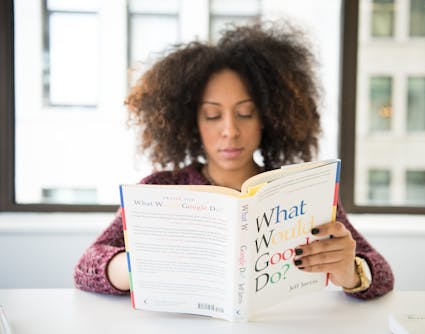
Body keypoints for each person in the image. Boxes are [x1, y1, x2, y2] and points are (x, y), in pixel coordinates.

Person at [74, 22, 394, 300]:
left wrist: (350, 271)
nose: (230, 130)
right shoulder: (159, 189)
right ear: (191, 122)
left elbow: (381, 272)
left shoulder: (302, 191)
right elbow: (86, 266)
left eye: (245, 113)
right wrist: (133, 268)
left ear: (267, 118)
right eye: (213, 115)